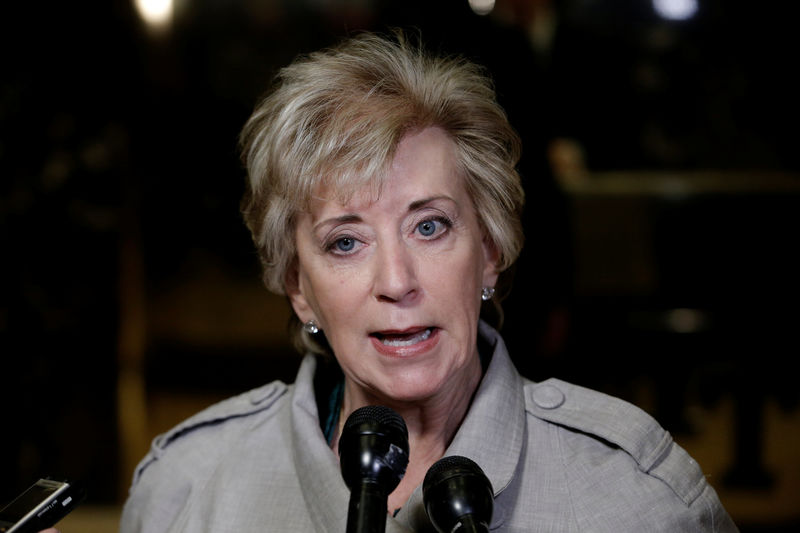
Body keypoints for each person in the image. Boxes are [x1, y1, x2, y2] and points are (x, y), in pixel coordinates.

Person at [118, 31, 738, 532]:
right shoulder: (188, 485)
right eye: (345, 242)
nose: (396, 281)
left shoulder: (635, 494)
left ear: (490, 252)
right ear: (298, 287)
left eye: (430, 227)